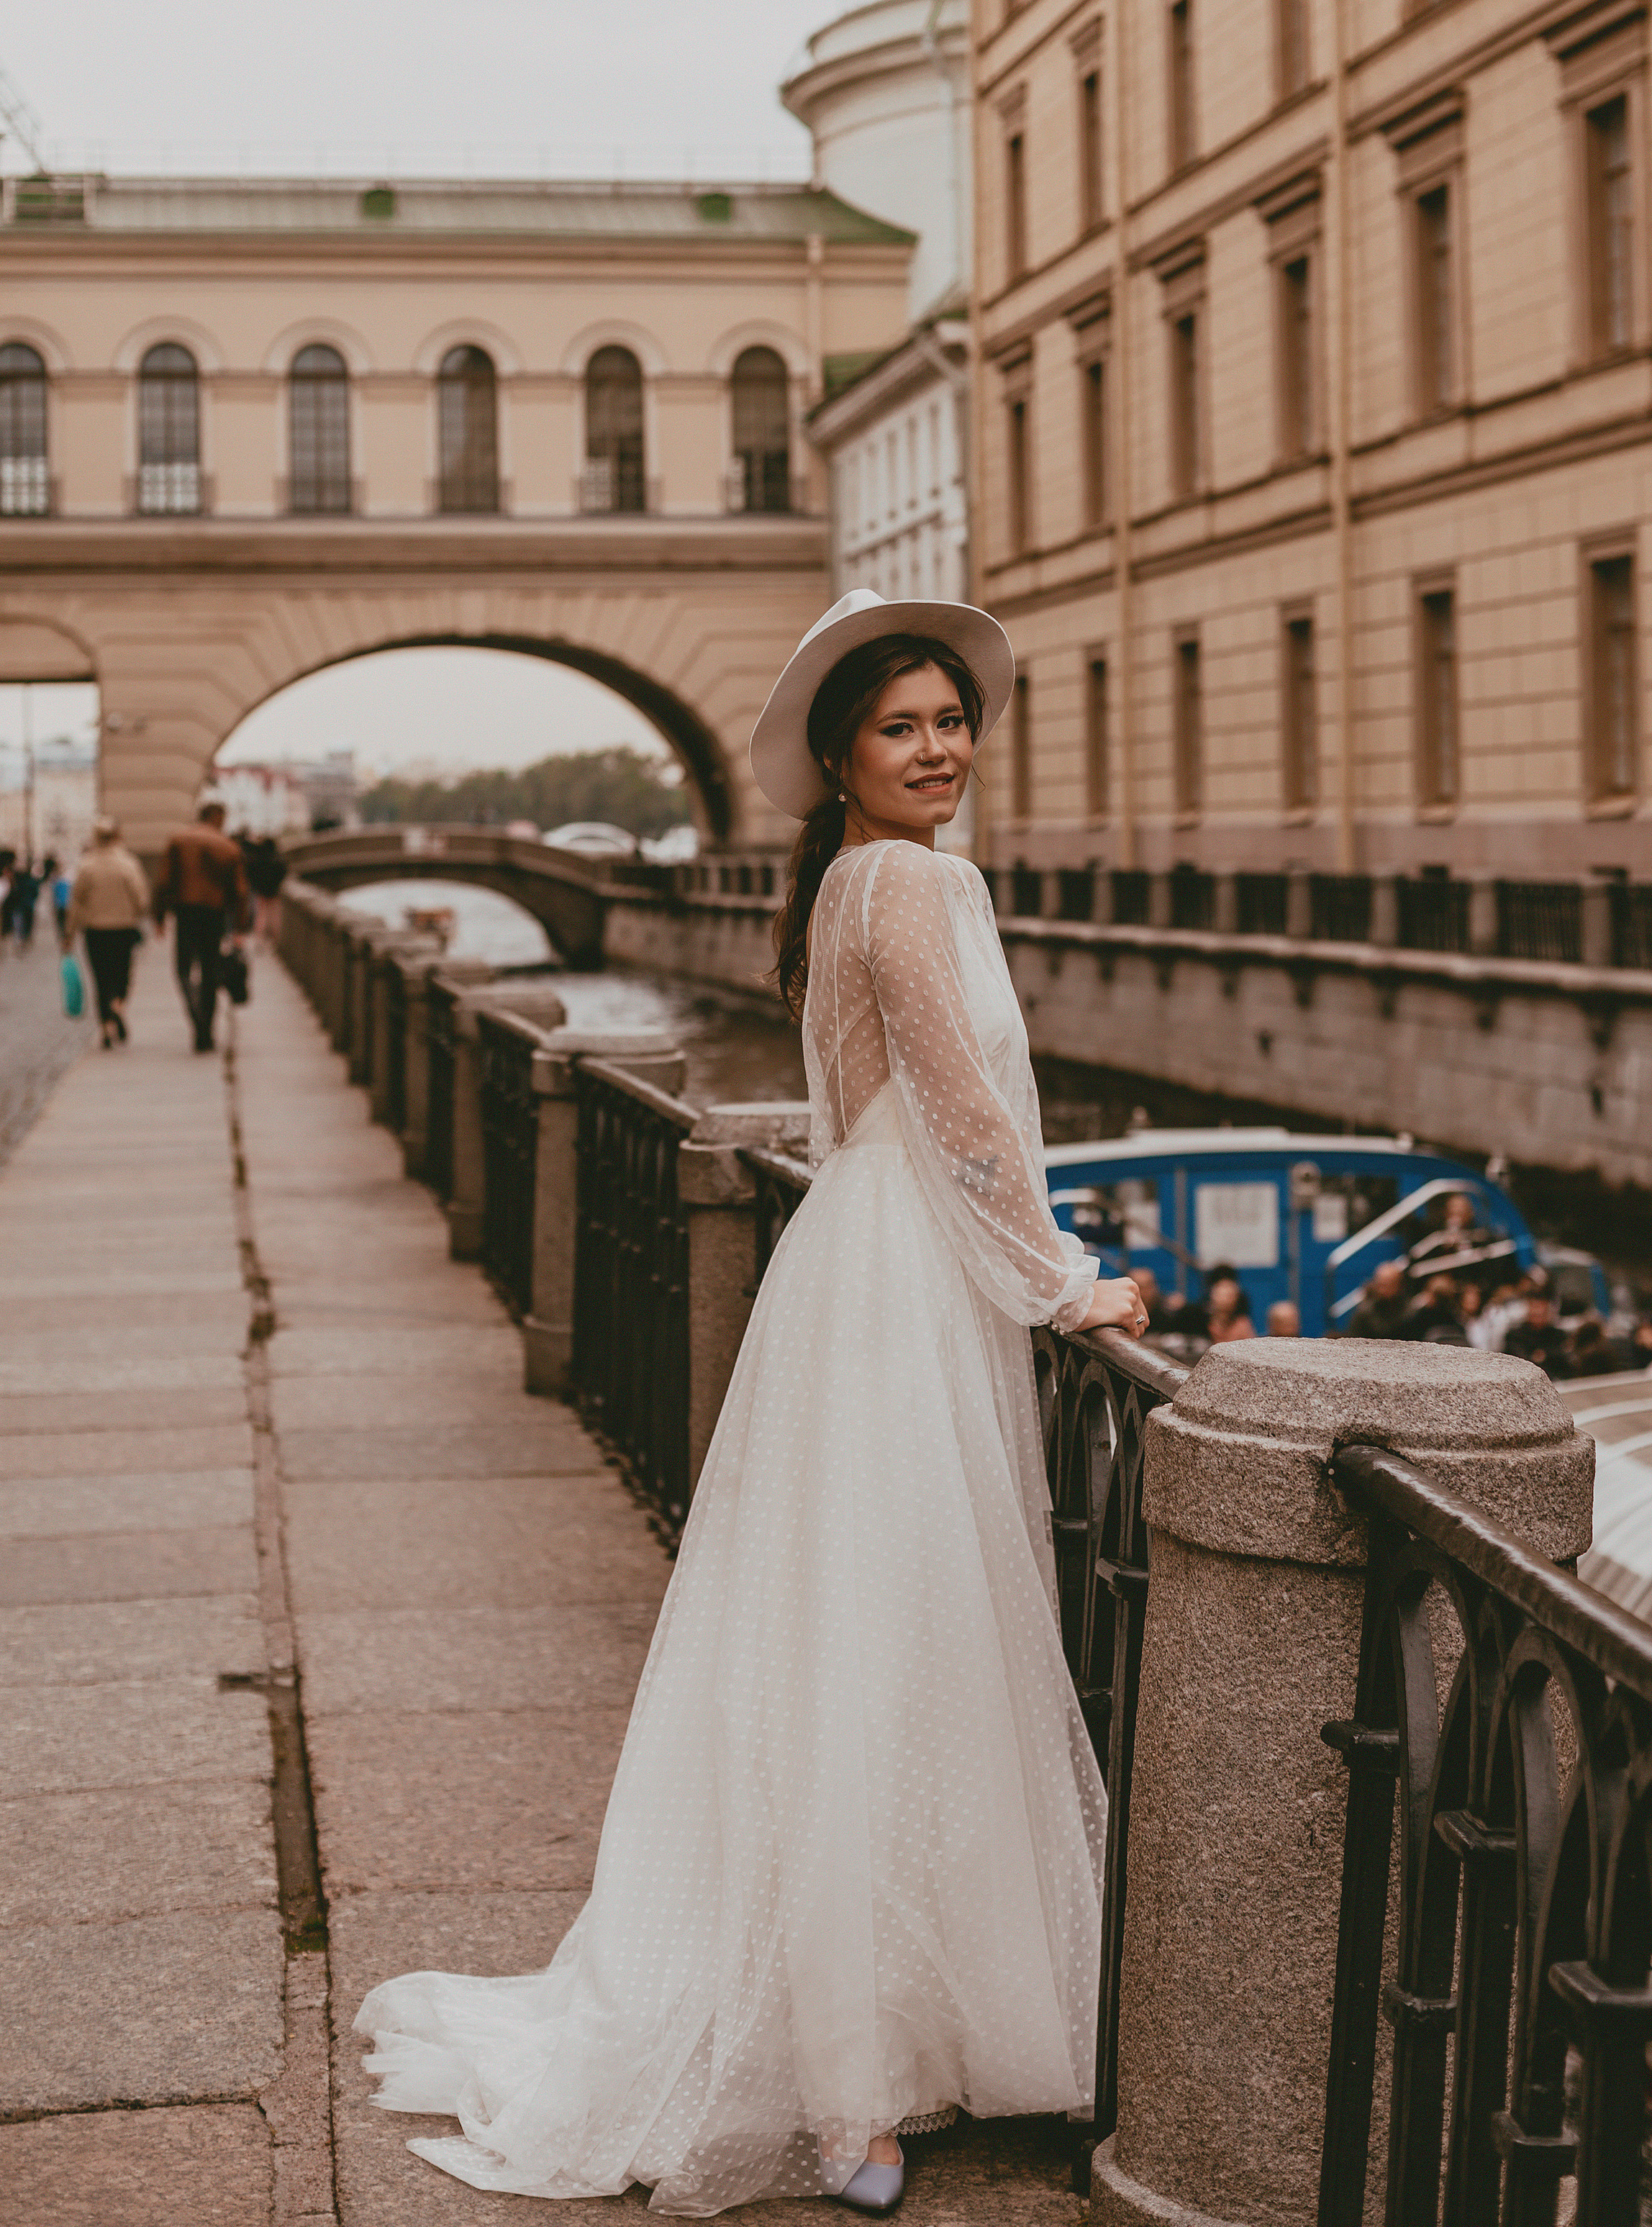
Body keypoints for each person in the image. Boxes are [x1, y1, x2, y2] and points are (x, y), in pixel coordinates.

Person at [355, 586, 1149, 2211]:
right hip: (905, 1294)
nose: (937, 748)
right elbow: (960, 1111)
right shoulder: (907, 880)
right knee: (891, 1658)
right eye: (900, 727)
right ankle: (854, 2085)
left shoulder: (862, 879)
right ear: (845, 758)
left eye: (950, 719)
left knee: (859, 1657)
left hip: (869, 1274)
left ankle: (877, 2050)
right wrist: (1057, 1280)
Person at [153, 792, 248, 1052]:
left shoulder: (179, 841)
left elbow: (163, 883)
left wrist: (159, 917)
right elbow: (240, 893)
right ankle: (206, 1029)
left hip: (185, 912)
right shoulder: (228, 847)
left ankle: (196, 1016)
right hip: (214, 915)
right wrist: (239, 928)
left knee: (183, 969)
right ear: (219, 818)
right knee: (210, 970)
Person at [68, 817, 151, 1047]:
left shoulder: (86, 865)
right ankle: (118, 1006)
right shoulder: (128, 864)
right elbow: (141, 899)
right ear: (117, 836)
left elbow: (75, 903)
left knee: (101, 978)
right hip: (123, 930)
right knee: (122, 976)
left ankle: (105, 1027)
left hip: (95, 931)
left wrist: (69, 934)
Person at [1502, 1282, 1574, 1380]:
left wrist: (1545, 1355)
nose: (1537, 1311)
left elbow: (1565, 1359)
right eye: (1533, 1306)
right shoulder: (1514, 1336)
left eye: (1541, 1307)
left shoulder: (1559, 1335)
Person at [244, 833, 286, 943]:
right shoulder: (277, 860)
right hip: (274, 891)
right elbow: (283, 872)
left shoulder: (258, 859)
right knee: (274, 916)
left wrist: (257, 886)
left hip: (261, 891)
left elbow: (252, 874)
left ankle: (260, 939)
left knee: (261, 914)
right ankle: (275, 939)